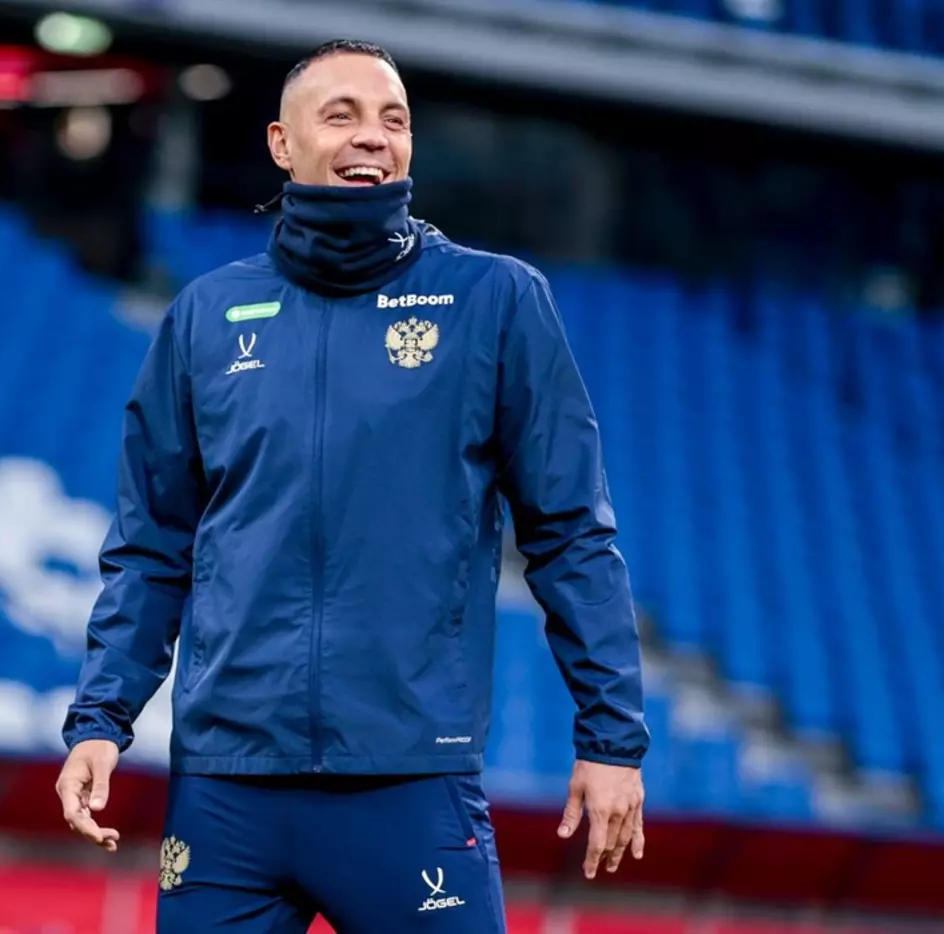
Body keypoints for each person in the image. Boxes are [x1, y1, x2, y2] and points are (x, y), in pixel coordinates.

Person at [55, 38, 649, 933]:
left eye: (393, 119)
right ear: (281, 143)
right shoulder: (205, 317)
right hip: (226, 790)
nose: (373, 135)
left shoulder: (493, 301)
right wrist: (102, 719)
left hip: (407, 780)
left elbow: (571, 534)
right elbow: (152, 546)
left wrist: (611, 739)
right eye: (342, 115)